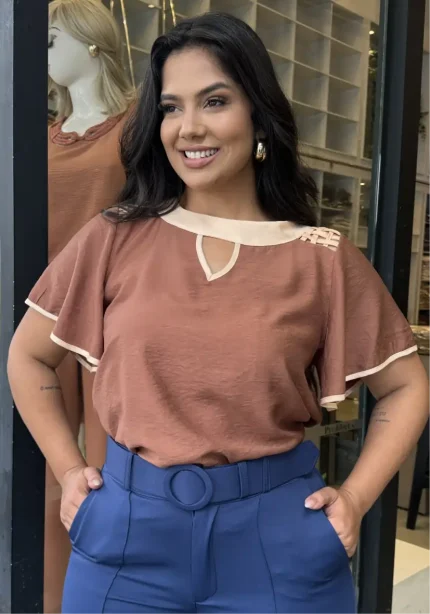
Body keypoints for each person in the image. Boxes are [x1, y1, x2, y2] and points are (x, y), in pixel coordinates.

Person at [8, 12, 429, 614]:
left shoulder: (322, 258)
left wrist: (356, 499)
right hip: (126, 538)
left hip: (277, 544)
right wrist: (70, 469)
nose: (189, 127)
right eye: (171, 108)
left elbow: (406, 387)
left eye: (214, 101)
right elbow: (28, 357)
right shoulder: (113, 237)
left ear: (258, 113)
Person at [45, 1, 134, 610]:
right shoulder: (44, 137)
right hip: (45, 320)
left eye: (53, 37)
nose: (44, 52)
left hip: (111, 321)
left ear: (93, 41)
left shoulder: (136, 130)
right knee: (50, 479)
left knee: (109, 480)